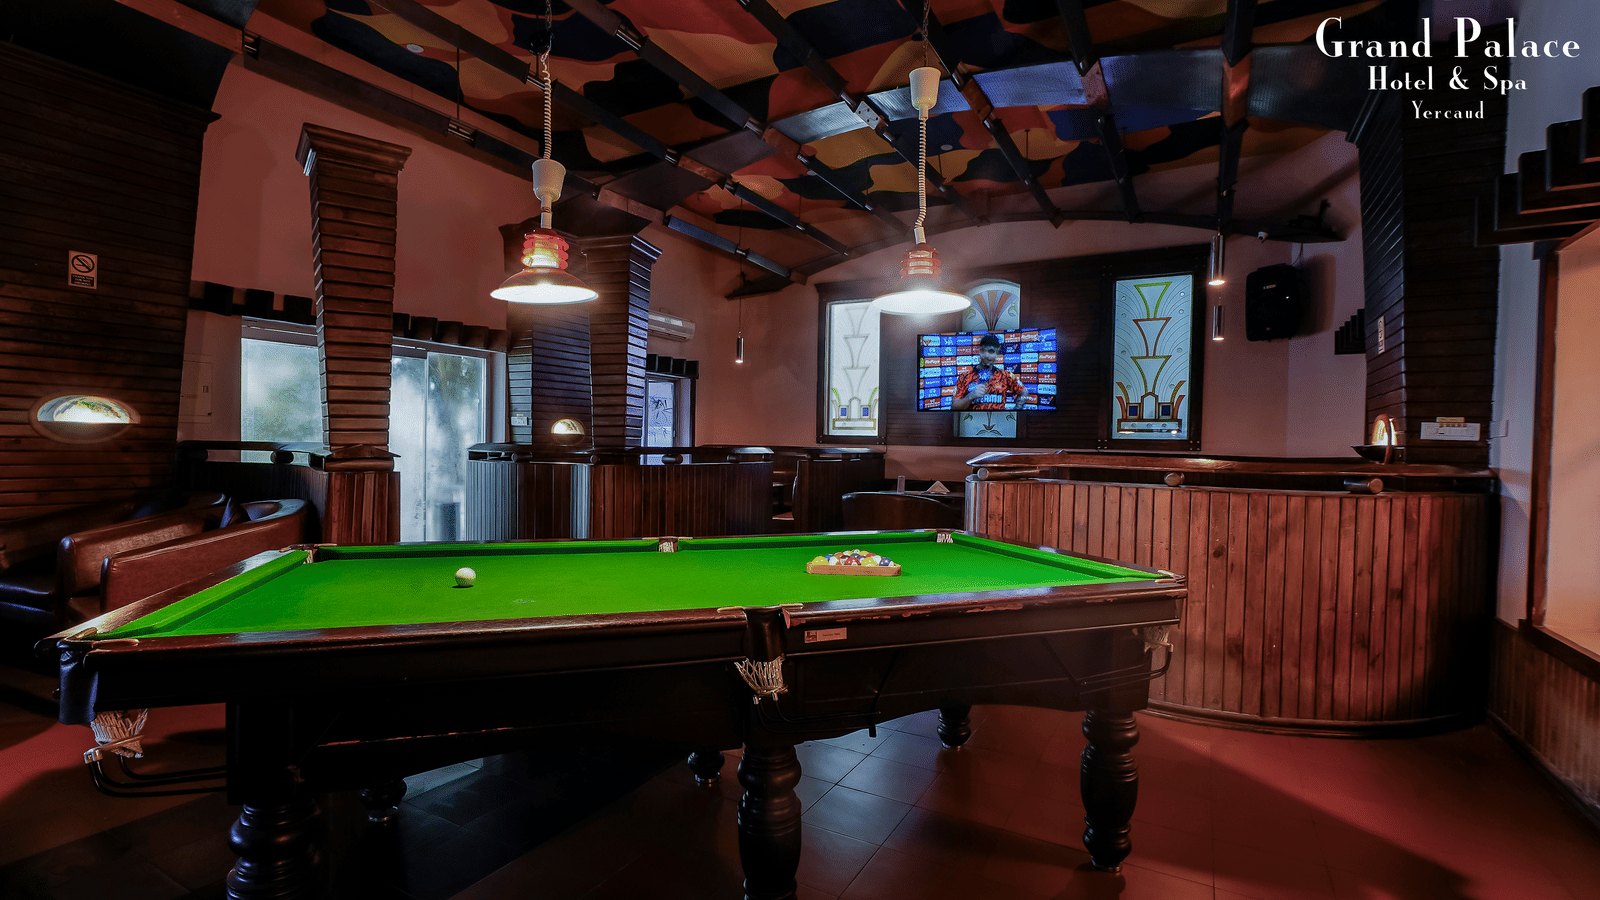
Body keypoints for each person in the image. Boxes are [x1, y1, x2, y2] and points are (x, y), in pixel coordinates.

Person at [951, 333, 1028, 410]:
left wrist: (1016, 410)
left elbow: (1024, 392)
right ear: (980, 351)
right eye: (984, 351)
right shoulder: (964, 377)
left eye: (991, 351)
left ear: (996, 353)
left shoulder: (1005, 375)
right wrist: (970, 396)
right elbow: (954, 407)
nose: (987, 355)